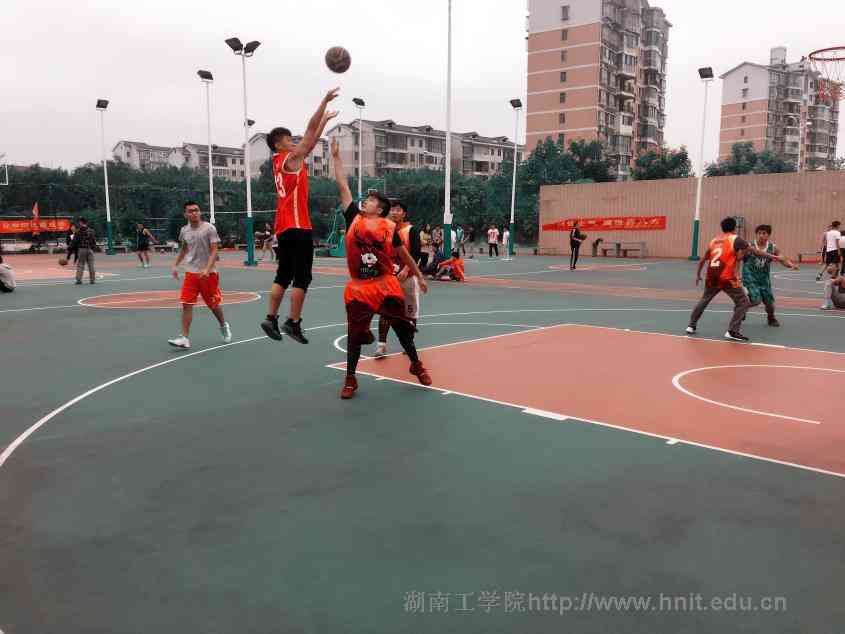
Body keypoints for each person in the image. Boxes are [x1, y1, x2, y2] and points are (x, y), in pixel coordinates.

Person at [331, 137, 431, 399]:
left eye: (370, 200)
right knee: (354, 335)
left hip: (385, 284)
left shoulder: (389, 228)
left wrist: (419, 277)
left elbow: (405, 255)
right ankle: (350, 378)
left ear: (380, 209)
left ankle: (415, 364)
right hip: (360, 287)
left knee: (403, 330)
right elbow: (343, 186)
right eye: (366, 199)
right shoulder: (353, 218)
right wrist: (336, 158)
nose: (365, 201)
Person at [260, 88, 340, 345]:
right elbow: (308, 133)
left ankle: (270, 318)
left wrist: (324, 121)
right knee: (302, 277)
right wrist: (323, 102)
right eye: (288, 139)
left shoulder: (278, 162)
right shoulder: (290, 159)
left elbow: (310, 141)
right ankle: (293, 322)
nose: (294, 141)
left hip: (283, 227)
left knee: (283, 274)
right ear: (278, 144)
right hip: (297, 225)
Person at [686, 217, 785, 342]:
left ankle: (691, 325)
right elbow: (756, 252)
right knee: (743, 302)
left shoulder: (714, 241)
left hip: (711, 276)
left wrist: (698, 275)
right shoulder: (735, 239)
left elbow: (703, 259)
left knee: (704, 300)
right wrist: (775, 257)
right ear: (734, 227)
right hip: (726, 277)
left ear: (722, 228)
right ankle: (732, 331)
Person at [168, 201, 232, 349]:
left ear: (200, 212)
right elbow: (184, 249)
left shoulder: (209, 228)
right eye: (190, 211)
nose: (194, 213)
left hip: (209, 273)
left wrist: (207, 269)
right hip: (191, 272)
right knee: (186, 303)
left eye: (196, 210)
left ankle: (223, 325)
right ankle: (184, 338)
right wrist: (175, 265)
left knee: (213, 304)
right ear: (185, 214)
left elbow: (215, 250)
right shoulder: (184, 231)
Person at [375, 200, 422, 358]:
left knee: (410, 312)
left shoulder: (411, 230)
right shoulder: (385, 229)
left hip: (407, 278)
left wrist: (407, 269)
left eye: (398, 210)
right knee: (386, 311)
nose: (394, 212)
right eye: (392, 210)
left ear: (404, 213)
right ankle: (381, 346)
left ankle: (409, 344)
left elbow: (415, 253)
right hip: (389, 278)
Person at [741, 224, 797, 327]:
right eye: (759, 233)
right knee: (756, 300)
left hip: (764, 279)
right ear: (756, 234)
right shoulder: (749, 246)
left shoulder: (772, 247)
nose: (761, 235)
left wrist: (790, 265)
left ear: (768, 235)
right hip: (750, 277)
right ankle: (741, 309)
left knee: (769, 304)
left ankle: (771, 318)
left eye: (764, 233)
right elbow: (738, 257)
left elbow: (782, 258)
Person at [71, 217, 97, 285]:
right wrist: (93, 248)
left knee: (81, 265)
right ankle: (92, 280)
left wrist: (71, 248)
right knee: (91, 265)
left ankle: (79, 280)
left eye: (79, 222)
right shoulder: (92, 231)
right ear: (86, 222)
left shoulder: (78, 231)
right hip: (90, 249)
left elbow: (74, 242)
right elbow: (94, 241)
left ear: (81, 222)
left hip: (82, 249)